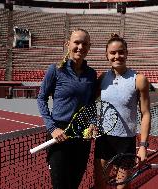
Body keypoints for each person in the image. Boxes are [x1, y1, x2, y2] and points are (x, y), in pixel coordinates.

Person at [37, 29, 97, 189]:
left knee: (74, 184)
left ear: (89, 47)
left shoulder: (92, 74)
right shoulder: (55, 70)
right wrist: (52, 128)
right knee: (60, 185)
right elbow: (41, 98)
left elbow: (90, 103)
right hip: (59, 135)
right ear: (68, 44)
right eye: (76, 42)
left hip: (81, 137)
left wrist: (92, 122)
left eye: (84, 44)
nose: (80, 47)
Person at [94, 33, 151, 189]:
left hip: (126, 143)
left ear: (127, 53)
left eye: (121, 52)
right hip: (104, 140)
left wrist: (143, 145)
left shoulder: (139, 79)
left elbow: (145, 113)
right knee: (99, 185)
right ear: (107, 55)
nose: (117, 56)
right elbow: (90, 103)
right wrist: (92, 122)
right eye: (113, 53)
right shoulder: (102, 78)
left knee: (122, 187)